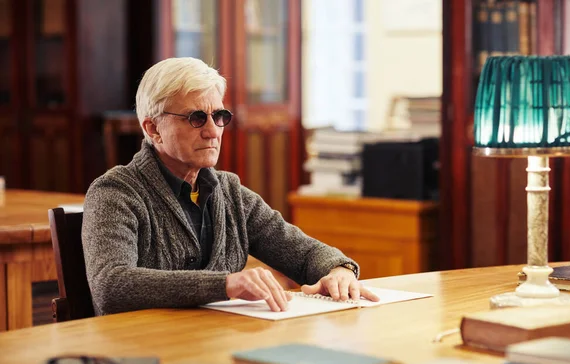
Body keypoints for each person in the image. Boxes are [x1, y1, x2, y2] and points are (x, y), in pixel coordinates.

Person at [82, 57, 378, 315]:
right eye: (196, 118)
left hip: (218, 347)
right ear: (153, 129)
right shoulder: (115, 192)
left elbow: (301, 253)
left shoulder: (230, 193)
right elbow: (112, 286)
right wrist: (225, 284)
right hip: (143, 353)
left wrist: (339, 270)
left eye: (219, 116)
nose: (213, 131)